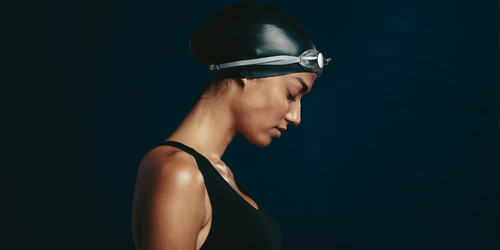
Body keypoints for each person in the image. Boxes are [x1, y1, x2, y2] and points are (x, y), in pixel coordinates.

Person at [132, 2, 329, 249]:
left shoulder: (218, 175)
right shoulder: (177, 173)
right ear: (249, 71)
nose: (295, 116)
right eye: (291, 94)